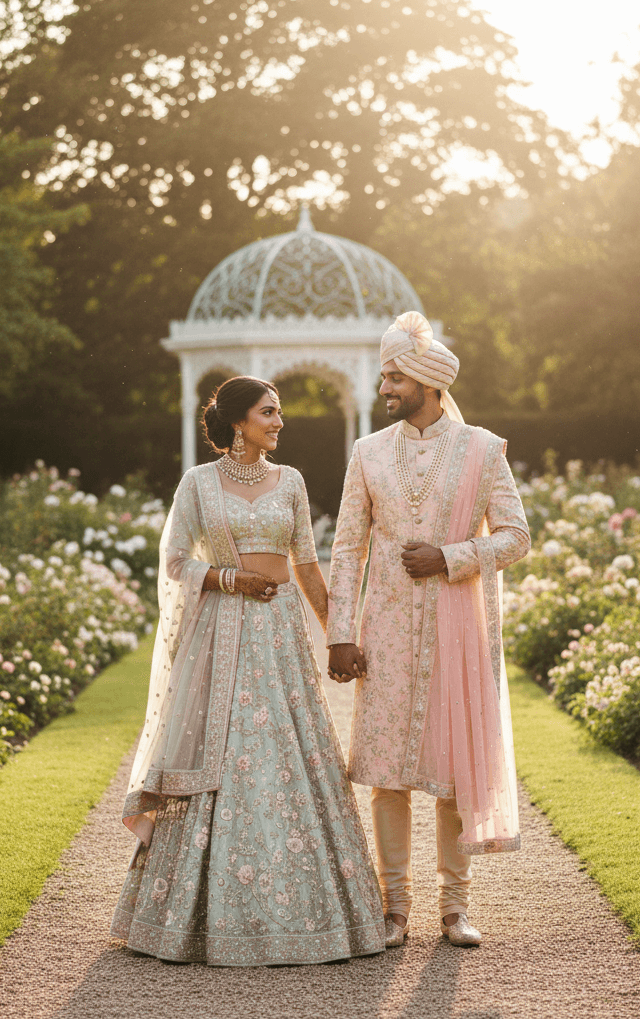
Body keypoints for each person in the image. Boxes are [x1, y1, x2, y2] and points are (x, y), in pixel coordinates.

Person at [111, 375, 385, 966]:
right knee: (224, 748)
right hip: (223, 633)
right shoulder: (198, 485)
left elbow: (308, 567)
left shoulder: (291, 481)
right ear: (239, 422)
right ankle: (197, 914)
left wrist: (340, 636)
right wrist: (229, 579)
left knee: (289, 751)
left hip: (280, 636)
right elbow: (175, 559)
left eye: (278, 413)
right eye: (269, 413)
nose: (280, 423)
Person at [326, 312, 531, 948]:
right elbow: (345, 547)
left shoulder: (482, 450)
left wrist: (451, 557)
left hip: (455, 633)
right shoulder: (367, 453)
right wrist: (340, 632)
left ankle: (454, 909)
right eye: (384, 377)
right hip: (384, 630)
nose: (384, 389)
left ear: (426, 382)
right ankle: (394, 910)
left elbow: (516, 536)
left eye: (393, 378)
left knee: (450, 774)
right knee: (387, 774)